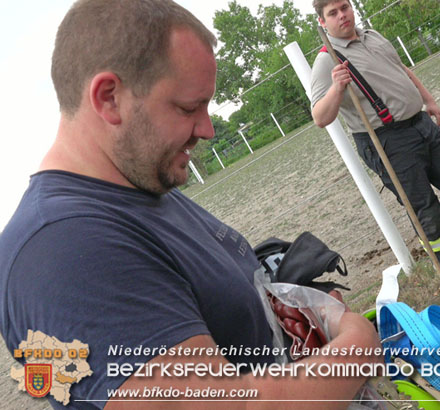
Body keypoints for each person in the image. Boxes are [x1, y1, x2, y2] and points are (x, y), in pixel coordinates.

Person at [0, 0, 380, 408]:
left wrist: (317, 317)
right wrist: (356, 349)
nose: (208, 129)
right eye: (187, 107)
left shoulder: (144, 187)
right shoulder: (60, 250)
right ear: (109, 98)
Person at [310, 0, 440, 290]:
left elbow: (403, 70)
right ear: (322, 22)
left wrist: (428, 99)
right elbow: (320, 117)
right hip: (386, 141)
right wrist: (336, 87)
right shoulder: (326, 61)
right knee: (425, 208)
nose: (342, 15)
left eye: (344, 7)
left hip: (420, 124)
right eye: (332, 13)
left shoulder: (373, 36)